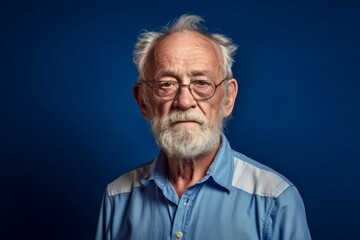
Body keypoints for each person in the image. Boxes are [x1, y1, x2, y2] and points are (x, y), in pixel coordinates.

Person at [95, 14, 311, 240]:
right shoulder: (117, 197)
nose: (184, 101)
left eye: (201, 83)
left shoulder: (274, 199)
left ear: (228, 98)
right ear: (143, 101)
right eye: (166, 84)